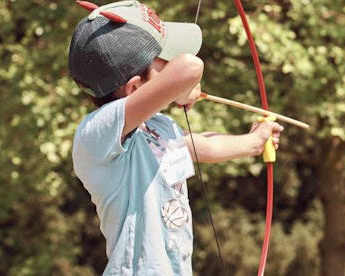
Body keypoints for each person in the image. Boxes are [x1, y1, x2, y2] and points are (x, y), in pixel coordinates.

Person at [67, 1, 283, 274]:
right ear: (135, 87)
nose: (172, 62)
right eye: (164, 60)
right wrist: (180, 89)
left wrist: (253, 141)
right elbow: (189, 67)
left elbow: (200, 145)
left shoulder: (158, 127)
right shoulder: (96, 134)